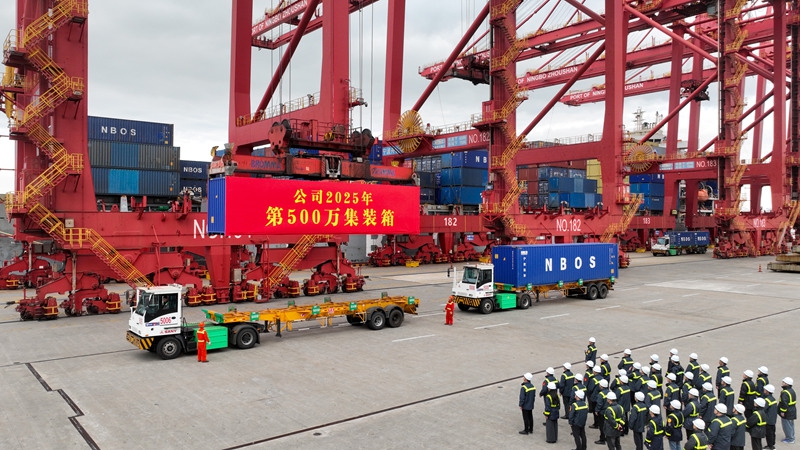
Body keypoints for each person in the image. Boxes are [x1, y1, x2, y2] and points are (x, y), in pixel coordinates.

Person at [779, 376, 796, 444]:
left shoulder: (785, 392)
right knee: (791, 424)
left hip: (787, 411)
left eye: (783, 382)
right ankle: (791, 437)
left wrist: (783, 411)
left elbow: (784, 403)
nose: (782, 383)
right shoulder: (791, 391)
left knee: (787, 425)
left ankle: (790, 439)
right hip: (792, 410)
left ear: (786, 384)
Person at [595, 379, 611, 444]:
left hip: (602, 412)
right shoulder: (609, 392)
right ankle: (607, 437)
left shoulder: (601, 394)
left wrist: (597, 410)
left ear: (601, 386)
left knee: (601, 426)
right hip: (608, 411)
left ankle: (602, 439)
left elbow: (599, 404)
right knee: (607, 425)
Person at [763, 384, 778, 449]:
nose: (764, 390)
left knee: (769, 433)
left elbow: (764, 408)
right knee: (772, 432)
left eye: (765, 389)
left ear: (767, 391)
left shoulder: (767, 400)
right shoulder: (773, 399)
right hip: (773, 419)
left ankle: (770, 446)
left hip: (768, 419)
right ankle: (772, 444)